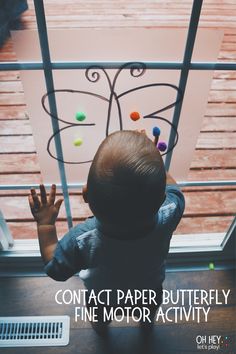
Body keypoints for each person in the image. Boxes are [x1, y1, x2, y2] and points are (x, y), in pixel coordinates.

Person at [28, 130, 185, 334]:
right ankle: (146, 328)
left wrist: (45, 225)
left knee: (99, 319)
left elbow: (55, 268)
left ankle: (101, 331)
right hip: (149, 292)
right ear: (160, 198)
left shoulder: (83, 239)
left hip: (101, 297)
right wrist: (155, 164)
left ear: (86, 195)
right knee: (147, 315)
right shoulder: (169, 213)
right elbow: (175, 192)